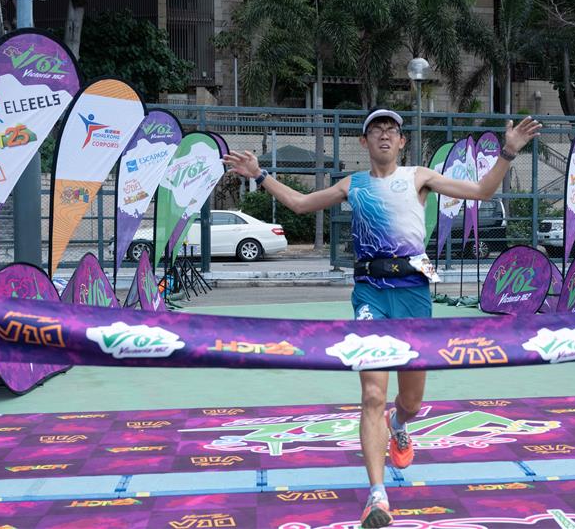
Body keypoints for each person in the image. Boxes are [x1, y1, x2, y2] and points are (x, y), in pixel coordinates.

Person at [223, 107, 540, 528]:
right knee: (372, 394)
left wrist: (509, 152)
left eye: (392, 130)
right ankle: (377, 496)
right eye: (377, 130)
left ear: (402, 141)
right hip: (370, 293)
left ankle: (398, 422)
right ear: (365, 142)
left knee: (411, 401)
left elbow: (482, 191)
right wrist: (260, 175)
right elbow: (300, 204)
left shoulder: (419, 177)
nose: (385, 135)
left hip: (413, 295)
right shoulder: (352, 185)